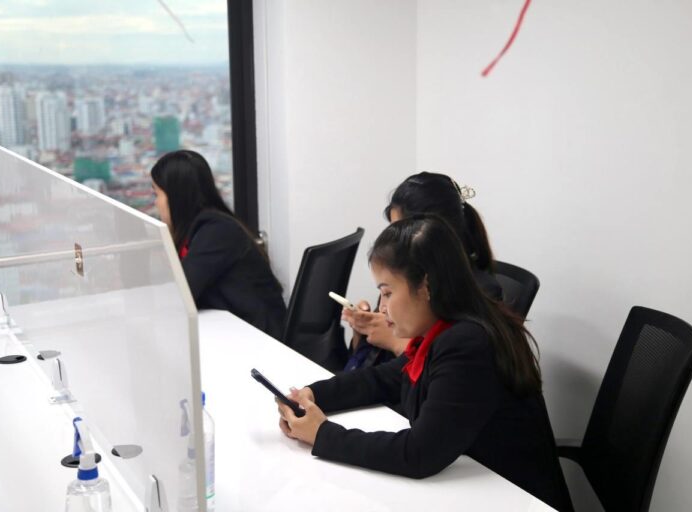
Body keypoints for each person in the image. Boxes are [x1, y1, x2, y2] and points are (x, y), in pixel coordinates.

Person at [276, 215, 572, 511]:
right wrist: (313, 394)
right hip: (474, 490)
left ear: (426, 285)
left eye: (388, 292)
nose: (382, 307)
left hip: (513, 499)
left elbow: (419, 454)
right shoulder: (444, 329)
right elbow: (383, 379)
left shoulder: (468, 344)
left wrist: (323, 435)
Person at [343, 172, 503, 370]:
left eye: (402, 231)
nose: (393, 241)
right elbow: (370, 369)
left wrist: (395, 342)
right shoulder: (403, 273)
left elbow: (444, 367)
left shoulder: (477, 292)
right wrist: (363, 330)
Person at [151, 150, 286, 339]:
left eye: (157, 194)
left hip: (260, 338)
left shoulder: (216, 231)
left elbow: (181, 294)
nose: (156, 203)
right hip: (236, 329)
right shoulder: (203, 228)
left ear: (175, 196)